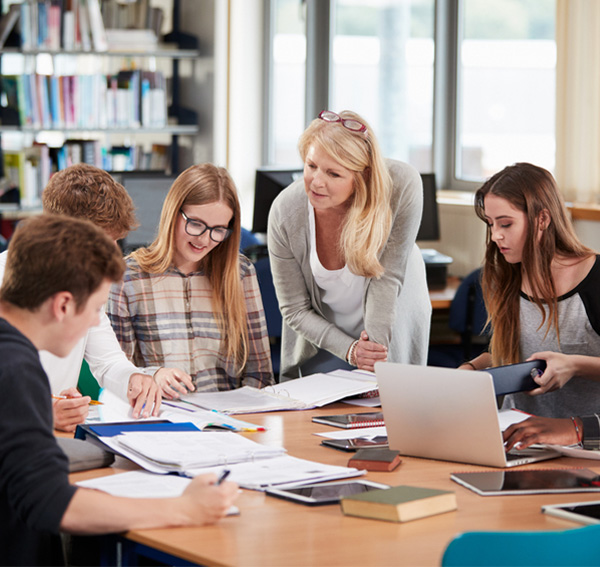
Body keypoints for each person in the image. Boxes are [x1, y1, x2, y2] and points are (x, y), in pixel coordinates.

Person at [0, 214, 238, 566]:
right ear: (63, 305)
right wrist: (183, 508)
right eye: (96, 308)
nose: (97, 321)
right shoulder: (16, 368)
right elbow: (51, 503)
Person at [0, 164, 193, 431]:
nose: (111, 252)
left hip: (50, 439)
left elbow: (108, 361)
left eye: (116, 241)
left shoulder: (86, 283)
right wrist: (41, 412)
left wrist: (133, 379)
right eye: (104, 240)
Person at [267, 109, 431, 379]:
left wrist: (374, 357)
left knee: (389, 406)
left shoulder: (401, 185)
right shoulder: (286, 212)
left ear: (362, 176)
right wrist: (352, 350)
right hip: (324, 336)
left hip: (390, 320)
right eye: (311, 166)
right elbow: (294, 308)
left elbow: (387, 279)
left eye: (333, 174)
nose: (316, 182)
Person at [457, 162, 600, 450]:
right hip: (516, 441)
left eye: (506, 224)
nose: (496, 235)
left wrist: (574, 365)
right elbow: (510, 353)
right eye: (491, 224)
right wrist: (471, 370)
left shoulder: (595, 277)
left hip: (582, 443)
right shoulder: (508, 275)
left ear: (542, 219)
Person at [107, 163, 273, 396]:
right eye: (195, 224)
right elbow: (115, 374)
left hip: (228, 422)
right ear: (173, 212)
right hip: (159, 420)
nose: (205, 240)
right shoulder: (128, 279)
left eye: (218, 229)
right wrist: (154, 375)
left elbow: (261, 376)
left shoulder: (240, 273)